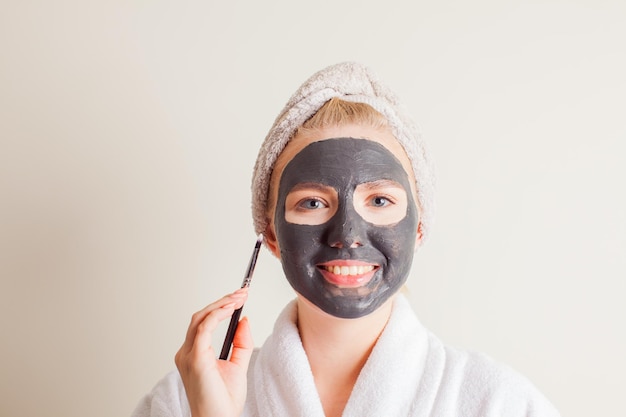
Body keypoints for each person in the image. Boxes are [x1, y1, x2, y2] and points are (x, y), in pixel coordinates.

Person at [132, 62, 560, 417]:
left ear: (418, 226)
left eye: (379, 199)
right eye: (313, 204)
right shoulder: (181, 403)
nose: (348, 235)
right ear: (271, 236)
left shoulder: (500, 403)